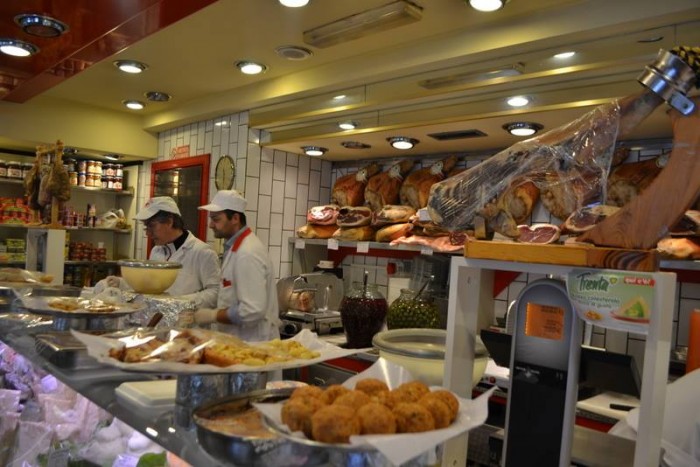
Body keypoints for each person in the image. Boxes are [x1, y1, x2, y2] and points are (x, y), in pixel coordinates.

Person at [95, 196, 220, 308]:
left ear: (169, 221)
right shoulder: (157, 251)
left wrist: (181, 302)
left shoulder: (203, 253)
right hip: (158, 320)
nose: (148, 233)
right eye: (146, 227)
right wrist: (121, 283)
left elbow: (215, 292)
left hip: (187, 322)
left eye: (152, 226)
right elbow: (149, 286)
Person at [193, 190, 281, 342]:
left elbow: (252, 310)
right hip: (241, 342)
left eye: (216, 219)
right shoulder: (236, 248)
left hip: (254, 344)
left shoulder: (247, 253)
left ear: (235, 218)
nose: (211, 225)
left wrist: (213, 315)